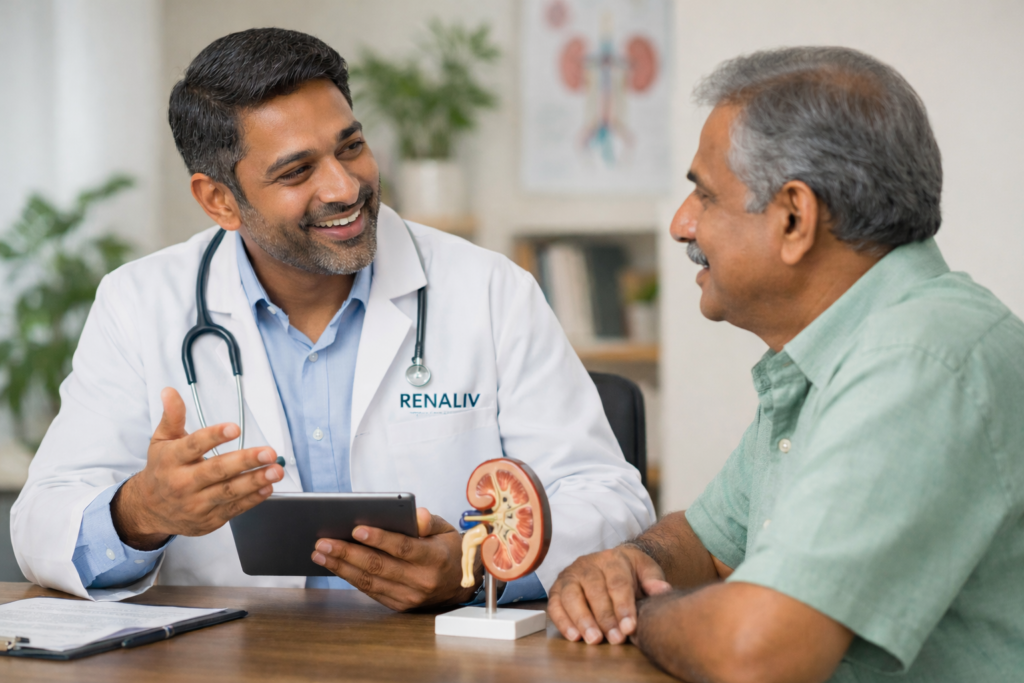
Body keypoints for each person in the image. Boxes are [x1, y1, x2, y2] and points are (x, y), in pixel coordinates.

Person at [12, 28, 654, 608]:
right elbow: (42, 521)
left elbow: (611, 500)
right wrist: (142, 511)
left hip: (442, 657)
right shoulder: (138, 304)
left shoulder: (491, 291)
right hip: (226, 662)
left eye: (351, 148)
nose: (345, 187)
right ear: (218, 199)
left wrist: (477, 567)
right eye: (297, 171)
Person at [547, 46, 1024, 683]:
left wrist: (641, 609)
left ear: (794, 217)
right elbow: (710, 544)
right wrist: (629, 561)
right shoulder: (836, 350)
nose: (681, 225)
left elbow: (757, 653)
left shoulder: (920, 359)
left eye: (705, 195)